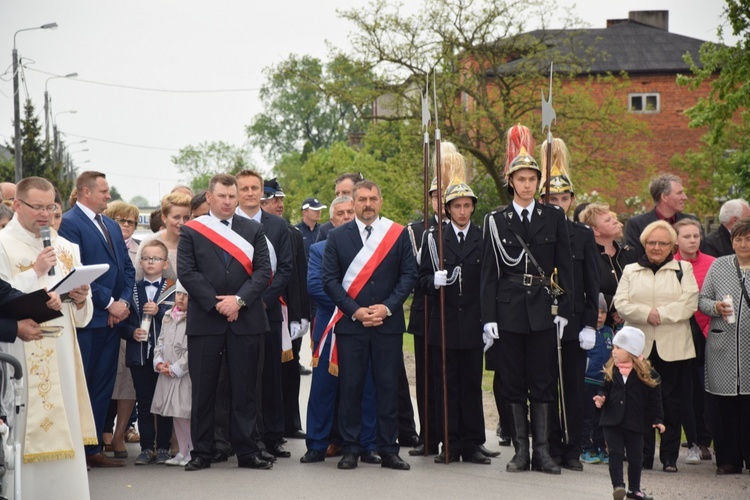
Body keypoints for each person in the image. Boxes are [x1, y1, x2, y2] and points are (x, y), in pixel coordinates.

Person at [480, 124, 573, 475]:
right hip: (509, 309)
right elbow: (489, 274)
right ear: (511, 182)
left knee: (544, 381)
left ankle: (544, 452)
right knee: (514, 381)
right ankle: (521, 451)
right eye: (521, 179)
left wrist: (564, 309)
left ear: (539, 182)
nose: (528, 184)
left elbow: (565, 267)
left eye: (533, 179)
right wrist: (488, 317)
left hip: (543, 309)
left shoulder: (553, 217)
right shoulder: (496, 220)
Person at [0, 176, 96, 499]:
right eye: (37, 207)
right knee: (23, 427)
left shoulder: (65, 246)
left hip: (62, 348)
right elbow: (3, 297)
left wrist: (82, 298)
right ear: (17, 205)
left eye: (50, 207)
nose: (45, 214)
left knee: (64, 421)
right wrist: (34, 273)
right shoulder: (3, 243)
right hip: (20, 348)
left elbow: (82, 315)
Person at [177, 173, 272, 471]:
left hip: (246, 320)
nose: (228, 201)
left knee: (245, 390)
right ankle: (202, 452)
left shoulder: (253, 230)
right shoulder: (192, 231)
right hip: (207, 320)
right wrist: (219, 304)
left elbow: (262, 272)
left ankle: (247, 452)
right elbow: (187, 273)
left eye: (232, 196)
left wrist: (238, 301)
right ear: (209, 197)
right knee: (204, 390)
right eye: (223, 196)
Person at [322, 180, 417, 470]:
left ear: (381, 201)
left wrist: (387, 307)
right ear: (354, 202)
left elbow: (408, 275)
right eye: (362, 199)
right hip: (353, 325)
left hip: (387, 325)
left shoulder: (398, 234)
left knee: (387, 387)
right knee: (351, 387)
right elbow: (330, 280)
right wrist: (356, 311)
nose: (367, 204)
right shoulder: (337, 236)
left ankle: (389, 449)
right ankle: (351, 448)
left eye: (372, 198)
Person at [59, 170, 135, 468]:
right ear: (85, 193)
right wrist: (109, 303)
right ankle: (77, 451)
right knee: (83, 384)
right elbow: (74, 270)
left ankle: (92, 449)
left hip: (113, 320)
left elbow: (126, 269)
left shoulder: (112, 226)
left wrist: (124, 303)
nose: (108, 195)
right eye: (104, 191)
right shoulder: (69, 223)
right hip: (88, 319)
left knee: (103, 385)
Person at [614, 220, 698, 473]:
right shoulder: (630, 270)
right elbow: (621, 303)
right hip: (639, 349)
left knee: (672, 404)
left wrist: (659, 314)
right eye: (651, 242)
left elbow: (689, 303)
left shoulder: (683, 269)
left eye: (662, 243)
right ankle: (643, 455)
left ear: (671, 245)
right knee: (639, 403)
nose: (656, 247)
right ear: (644, 244)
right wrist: (645, 313)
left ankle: (670, 458)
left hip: (674, 348)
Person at [301, 195, 379, 464]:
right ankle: (317, 444)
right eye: (341, 213)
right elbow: (314, 285)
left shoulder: (373, 248)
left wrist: (360, 310)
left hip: (364, 324)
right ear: (332, 219)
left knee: (366, 385)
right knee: (324, 386)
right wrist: (351, 307)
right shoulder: (320, 249)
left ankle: (367, 444)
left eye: (350, 212)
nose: (346, 217)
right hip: (330, 325)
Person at [418, 179, 489, 464]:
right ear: (447, 209)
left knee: (472, 384)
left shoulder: (483, 238)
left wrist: (488, 322)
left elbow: (488, 282)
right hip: (443, 324)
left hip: (472, 322)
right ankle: (449, 442)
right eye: (457, 206)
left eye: (467, 206)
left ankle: (472, 443)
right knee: (446, 385)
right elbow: (421, 280)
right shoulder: (433, 239)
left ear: (473, 208)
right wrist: (432, 282)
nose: (462, 211)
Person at [539, 138, 600, 472]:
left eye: (564, 199)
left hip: (575, 324)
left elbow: (591, 283)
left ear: (572, 200)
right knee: (546, 388)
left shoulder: (582, 235)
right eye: (551, 199)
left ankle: (573, 448)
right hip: (544, 320)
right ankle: (548, 447)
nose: (558, 204)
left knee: (574, 389)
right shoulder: (537, 231)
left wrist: (590, 323)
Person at [234, 170, 294, 459]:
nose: (248, 193)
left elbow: (284, 269)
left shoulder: (278, 225)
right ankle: (241, 437)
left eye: (253, 188)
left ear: (262, 192)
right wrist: (239, 301)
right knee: (240, 378)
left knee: (270, 375)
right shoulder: (224, 225)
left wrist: (262, 302)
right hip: (233, 312)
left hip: (266, 310)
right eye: (243, 188)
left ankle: (272, 436)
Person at [697, 217, 750, 475]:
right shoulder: (719, 266)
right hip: (722, 346)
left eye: (748, 238)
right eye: (738, 238)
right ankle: (727, 459)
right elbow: (702, 300)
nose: (743, 243)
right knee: (724, 406)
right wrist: (715, 307)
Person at [594, 326, 665, 500]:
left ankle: (634, 489)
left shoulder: (647, 374)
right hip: (612, 421)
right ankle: (618, 485)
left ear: (631, 351)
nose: (614, 351)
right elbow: (604, 388)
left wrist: (658, 419)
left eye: (619, 348)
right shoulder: (611, 369)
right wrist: (601, 398)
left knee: (635, 457)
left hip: (635, 422)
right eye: (614, 347)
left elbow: (655, 399)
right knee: (616, 453)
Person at [123, 239, 175, 465]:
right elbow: (121, 321)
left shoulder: (174, 287)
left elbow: (181, 318)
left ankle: (163, 447)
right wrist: (131, 332)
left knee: (164, 403)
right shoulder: (131, 288)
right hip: (139, 355)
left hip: (164, 357)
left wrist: (160, 310)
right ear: (140, 262)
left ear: (165, 263)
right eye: (146, 258)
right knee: (144, 403)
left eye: (156, 258)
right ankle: (146, 448)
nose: (150, 262)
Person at [673, 218, 715, 463]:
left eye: (696, 236)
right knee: (684, 389)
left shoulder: (713, 264)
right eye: (686, 236)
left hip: (706, 332)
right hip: (679, 332)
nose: (692, 240)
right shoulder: (670, 265)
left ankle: (706, 439)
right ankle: (692, 440)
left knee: (705, 389)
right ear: (676, 240)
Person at [101, 200, 141, 458]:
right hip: (104, 318)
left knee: (127, 384)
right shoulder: (102, 245)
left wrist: (124, 306)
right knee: (105, 379)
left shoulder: (142, 248)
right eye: (121, 220)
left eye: (131, 222)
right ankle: (102, 431)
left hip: (132, 320)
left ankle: (119, 435)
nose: (125, 226)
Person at [151, 280, 192, 467]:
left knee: (185, 413)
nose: (181, 298)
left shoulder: (192, 319)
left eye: (185, 295)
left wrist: (176, 368)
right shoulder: (167, 316)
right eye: (178, 294)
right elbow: (159, 341)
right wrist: (159, 363)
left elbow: (191, 350)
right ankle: (181, 451)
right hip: (167, 371)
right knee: (175, 414)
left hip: (182, 374)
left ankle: (191, 450)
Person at [579, 203, 638, 329]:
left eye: (613, 219)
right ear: (595, 231)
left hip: (631, 325)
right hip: (597, 328)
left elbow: (640, 286)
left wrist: (626, 311)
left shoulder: (630, 253)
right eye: (608, 220)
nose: (615, 222)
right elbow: (585, 291)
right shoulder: (585, 257)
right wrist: (618, 307)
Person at [624, 174, 703, 258]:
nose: (685, 197)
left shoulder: (692, 222)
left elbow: (702, 256)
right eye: (679, 193)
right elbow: (635, 259)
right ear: (664, 197)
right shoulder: (637, 224)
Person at [580, 294, 613, 465]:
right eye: (596, 312)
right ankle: (585, 447)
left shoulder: (609, 332)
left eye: (603, 312)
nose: (599, 316)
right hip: (587, 381)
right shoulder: (585, 333)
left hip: (603, 382)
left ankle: (600, 447)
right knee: (587, 417)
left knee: (601, 418)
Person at [135, 192, 191, 281]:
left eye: (186, 218)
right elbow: (138, 278)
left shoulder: (195, 242)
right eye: (176, 217)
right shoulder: (148, 243)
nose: (182, 222)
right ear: (164, 218)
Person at [316, 173, 364, 243]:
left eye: (345, 193)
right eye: (337, 194)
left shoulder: (373, 224)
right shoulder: (326, 230)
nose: (340, 197)